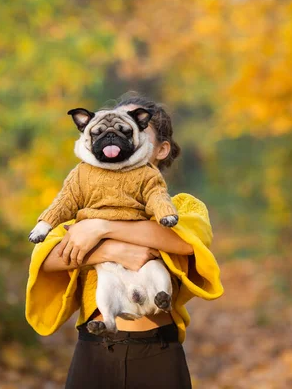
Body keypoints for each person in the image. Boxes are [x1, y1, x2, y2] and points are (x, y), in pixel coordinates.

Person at [25, 93, 224, 389]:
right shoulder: (83, 208)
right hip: (94, 349)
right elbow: (46, 257)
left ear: (160, 149)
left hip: (157, 352)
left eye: (131, 129)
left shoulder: (183, 207)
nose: (113, 135)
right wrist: (110, 248)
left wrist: (99, 229)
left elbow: (184, 241)